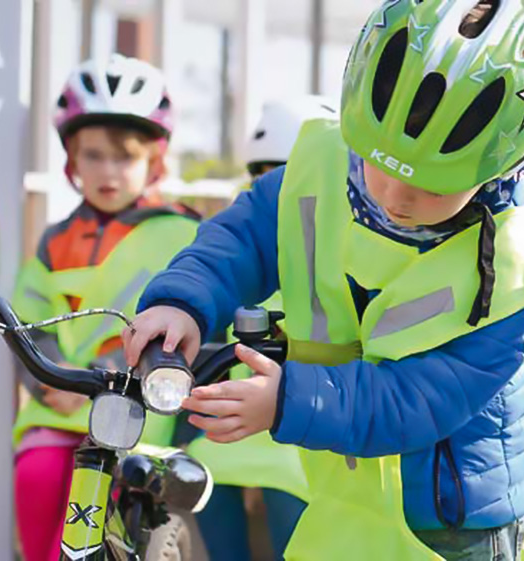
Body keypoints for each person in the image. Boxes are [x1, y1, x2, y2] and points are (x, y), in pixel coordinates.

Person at [124, 1, 524, 559]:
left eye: (436, 186)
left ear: (505, 164)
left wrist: (287, 402)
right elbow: (239, 241)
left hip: (455, 525)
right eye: (382, 163)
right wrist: (182, 302)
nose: (397, 197)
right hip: (343, 495)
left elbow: (420, 400)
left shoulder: (517, 265)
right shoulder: (320, 165)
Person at [12, 54, 199, 561]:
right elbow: (28, 316)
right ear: (72, 162)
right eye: (93, 156)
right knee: (36, 476)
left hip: (131, 419)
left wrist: (103, 375)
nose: (108, 171)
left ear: (154, 162)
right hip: (57, 408)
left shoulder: (184, 234)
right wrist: (51, 381)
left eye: (125, 157)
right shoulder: (56, 240)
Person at [186, 96, 337, 561]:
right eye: (264, 174)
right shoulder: (263, 260)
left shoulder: (325, 264)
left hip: (299, 437)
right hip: (238, 439)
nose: (279, 189)